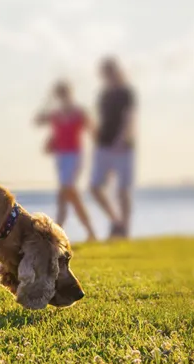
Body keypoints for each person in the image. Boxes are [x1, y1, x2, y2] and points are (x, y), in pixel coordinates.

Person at [34, 80, 97, 241]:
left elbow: (93, 130)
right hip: (61, 158)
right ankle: (89, 231)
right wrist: (48, 99)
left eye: (64, 93)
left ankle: (57, 233)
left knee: (65, 192)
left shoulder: (78, 113)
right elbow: (38, 119)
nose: (63, 97)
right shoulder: (55, 115)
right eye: (60, 94)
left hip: (74, 156)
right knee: (70, 196)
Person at [91, 57, 137, 239]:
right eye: (104, 72)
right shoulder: (104, 94)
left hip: (123, 147)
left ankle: (124, 228)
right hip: (103, 146)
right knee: (95, 186)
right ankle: (116, 221)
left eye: (110, 71)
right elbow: (102, 120)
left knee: (123, 189)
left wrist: (123, 138)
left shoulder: (126, 92)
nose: (107, 75)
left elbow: (129, 117)